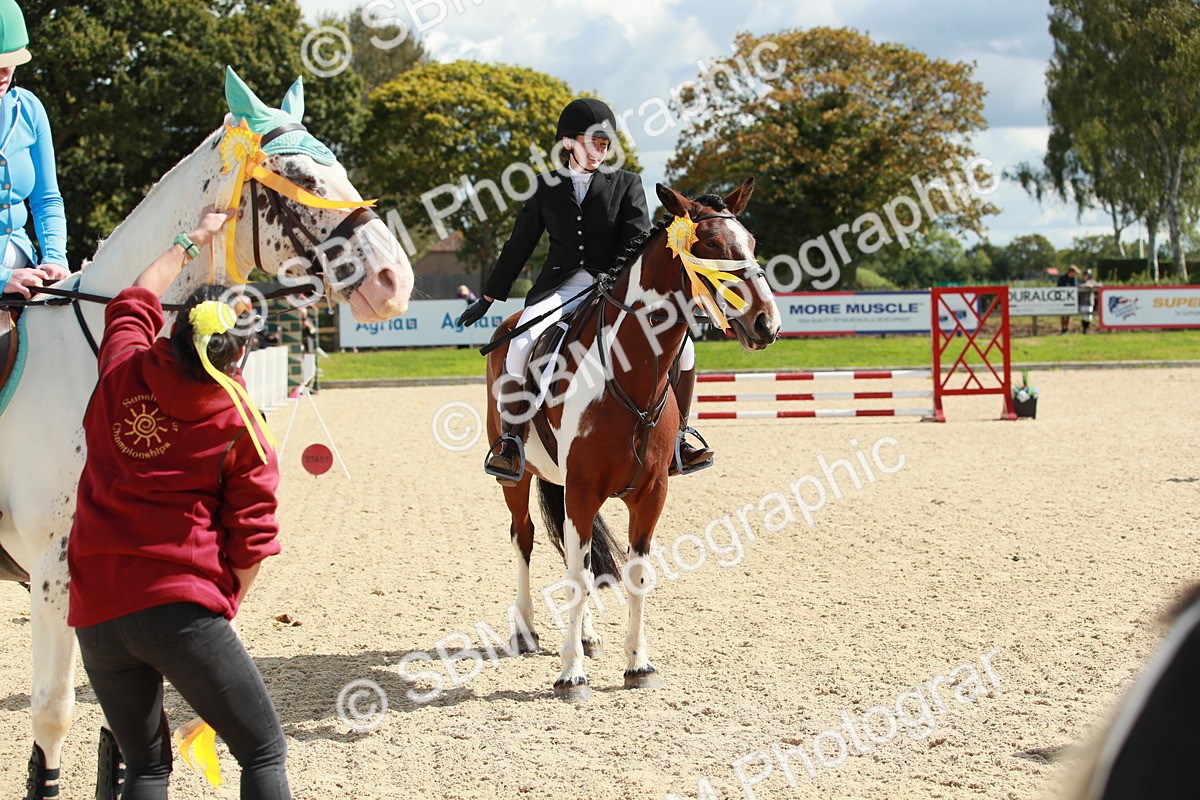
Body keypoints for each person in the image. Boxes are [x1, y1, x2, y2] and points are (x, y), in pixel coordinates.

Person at [67, 207, 291, 799]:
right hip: (180, 608)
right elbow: (253, 540)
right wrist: (223, 609)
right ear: (240, 356)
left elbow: (134, 297)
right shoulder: (242, 420)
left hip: (95, 607)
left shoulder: (120, 371)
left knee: (146, 767)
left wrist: (191, 242)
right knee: (263, 751)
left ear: (172, 331)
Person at [456, 97, 711, 483]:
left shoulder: (625, 184)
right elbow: (518, 246)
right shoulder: (545, 188)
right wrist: (489, 298)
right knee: (522, 344)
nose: (599, 152)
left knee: (685, 346)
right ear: (568, 143)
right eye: (592, 143)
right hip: (560, 289)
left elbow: (639, 242)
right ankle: (512, 442)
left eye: (605, 145)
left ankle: (681, 437)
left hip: (615, 286)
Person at [0, 0, 68, 299]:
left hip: (22, 260)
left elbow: (46, 199)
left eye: (9, 61)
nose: (4, 72)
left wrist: (55, 258)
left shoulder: (29, 109)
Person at [1057, 264, 1080, 334]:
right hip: (1062, 299)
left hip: (1070, 299)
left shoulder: (1074, 279)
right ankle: (1062, 328)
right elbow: (1059, 287)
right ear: (1070, 272)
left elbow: (1075, 287)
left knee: (1068, 314)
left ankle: (1066, 328)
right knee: (1062, 314)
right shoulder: (1062, 278)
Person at [1079, 268, 1101, 334]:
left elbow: (1100, 285)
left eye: (1088, 275)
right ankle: (1084, 329)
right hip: (1082, 302)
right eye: (1086, 275)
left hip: (1090, 302)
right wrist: (1084, 285)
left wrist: (1092, 286)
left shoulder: (1092, 281)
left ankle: (1087, 328)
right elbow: (1077, 286)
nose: (1087, 276)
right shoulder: (1081, 282)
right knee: (1084, 316)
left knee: (1089, 317)